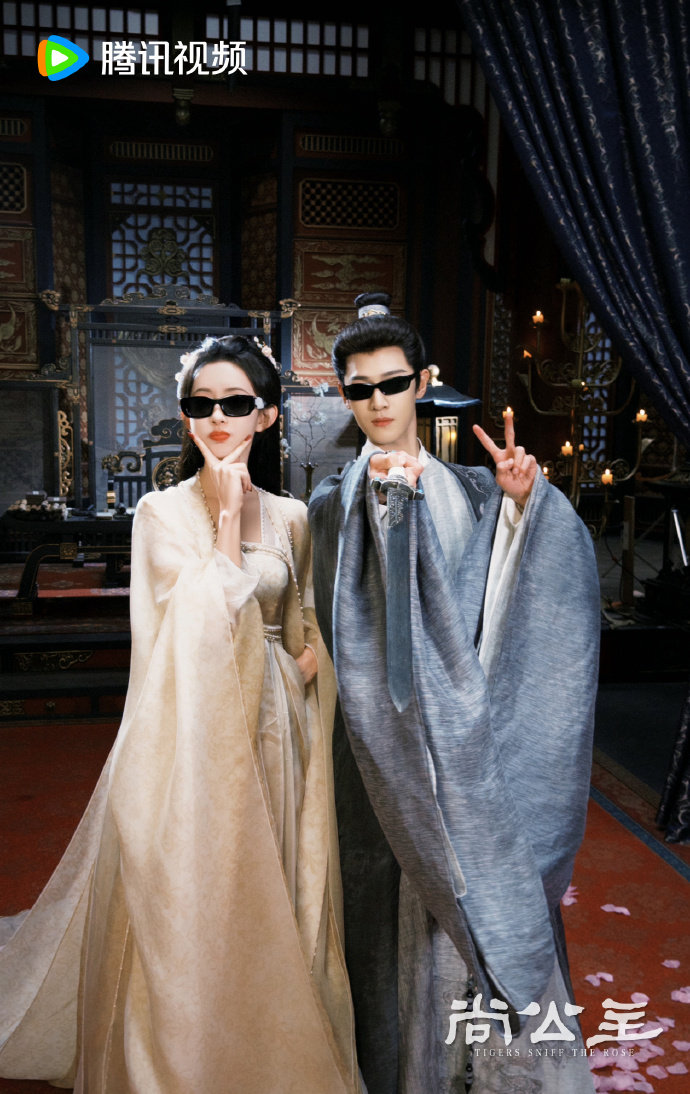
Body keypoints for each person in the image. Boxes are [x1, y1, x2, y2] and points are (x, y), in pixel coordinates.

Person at [0, 334, 361, 1094]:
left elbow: (302, 620)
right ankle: (188, 1059)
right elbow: (193, 628)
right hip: (189, 734)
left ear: (266, 415)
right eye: (202, 403)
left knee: (268, 884)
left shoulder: (292, 515)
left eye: (236, 403)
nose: (217, 417)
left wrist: (302, 665)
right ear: (186, 415)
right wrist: (227, 519)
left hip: (273, 730)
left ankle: (266, 1049)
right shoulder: (159, 512)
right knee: (197, 885)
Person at [308, 293, 601, 1094]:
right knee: (391, 901)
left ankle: (491, 1069)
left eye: (391, 383)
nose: (377, 402)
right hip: (380, 747)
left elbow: (512, 608)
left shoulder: (474, 488)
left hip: (473, 747)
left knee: (486, 898)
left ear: (422, 381)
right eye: (359, 388)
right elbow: (334, 623)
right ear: (345, 396)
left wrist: (522, 508)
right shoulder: (331, 504)